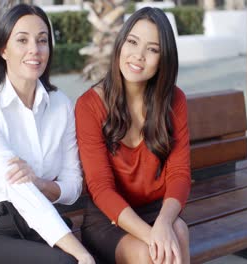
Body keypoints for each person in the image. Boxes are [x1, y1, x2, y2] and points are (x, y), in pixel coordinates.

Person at [0, 4, 95, 264]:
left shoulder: (60, 104)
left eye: (42, 40)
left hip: (39, 226)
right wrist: (79, 251)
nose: (35, 49)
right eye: (22, 40)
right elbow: (21, 193)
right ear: (3, 49)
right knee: (70, 261)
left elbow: (74, 184)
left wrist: (41, 183)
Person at [75, 7, 191, 264]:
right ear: (121, 44)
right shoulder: (89, 105)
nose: (138, 56)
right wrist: (153, 236)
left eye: (152, 49)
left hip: (156, 210)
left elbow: (179, 174)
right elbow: (101, 188)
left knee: (179, 232)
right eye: (133, 42)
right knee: (151, 252)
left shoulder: (174, 99)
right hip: (109, 218)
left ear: (164, 58)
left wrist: (163, 222)